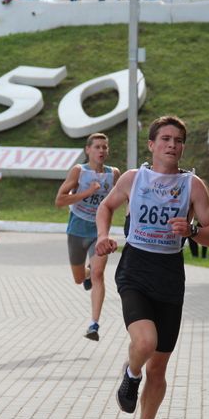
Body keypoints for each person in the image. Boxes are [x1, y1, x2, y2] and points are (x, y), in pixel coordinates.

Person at [95, 115, 209, 419]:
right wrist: (103, 235)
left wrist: (194, 230)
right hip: (136, 268)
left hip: (170, 276)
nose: (172, 144)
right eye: (165, 139)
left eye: (178, 140)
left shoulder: (192, 185)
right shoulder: (133, 179)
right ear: (151, 145)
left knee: (159, 369)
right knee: (145, 343)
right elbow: (106, 207)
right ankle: (129, 375)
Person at [55, 133, 121, 341]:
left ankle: (94, 324)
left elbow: (121, 199)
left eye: (105, 147)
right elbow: (60, 200)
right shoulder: (79, 171)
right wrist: (87, 192)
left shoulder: (114, 174)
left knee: (99, 274)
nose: (101, 151)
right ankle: (87, 275)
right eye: (97, 147)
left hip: (99, 233)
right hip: (77, 229)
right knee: (78, 278)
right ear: (88, 150)